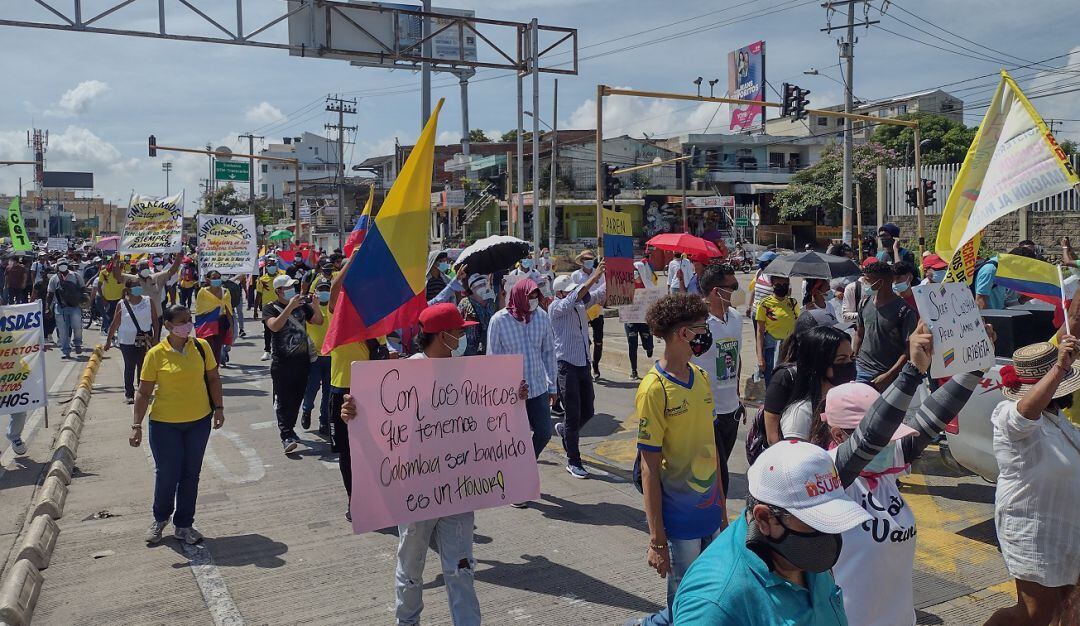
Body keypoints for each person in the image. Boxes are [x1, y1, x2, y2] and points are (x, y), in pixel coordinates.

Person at [339, 303, 518, 626]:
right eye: (459, 331)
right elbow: (377, 421)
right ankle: (407, 621)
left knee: (461, 568)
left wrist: (513, 397)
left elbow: (489, 416)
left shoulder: (469, 372)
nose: (463, 337)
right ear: (442, 335)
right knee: (411, 567)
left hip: (459, 491)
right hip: (416, 493)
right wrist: (352, 412)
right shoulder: (403, 375)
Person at [819, 323, 986, 626]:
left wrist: (976, 365)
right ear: (839, 435)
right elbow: (871, 437)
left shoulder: (882, 469)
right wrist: (912, 371)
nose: (889, 445)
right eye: (884, 438)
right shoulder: (829, 475)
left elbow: (931, 421)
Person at [672, 440, 873, 624]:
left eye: (833, 520)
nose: (828, 533)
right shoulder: (714, 604)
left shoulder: (800, 557)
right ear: (764, 518)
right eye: (814, 522)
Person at [630, 293, 726, 626]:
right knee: (686, 603)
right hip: (680, 521)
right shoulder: (654, 389)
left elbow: (712, 452)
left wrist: (722, 512)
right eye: (701, 328)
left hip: (709, 513)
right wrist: (657, 540)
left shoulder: (701, 378)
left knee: (712, 594)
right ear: (684, 333)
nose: (706, 334)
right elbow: (649, 469)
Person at [985, 338, 1080, 626]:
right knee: (1033, 615)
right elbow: (1025, 413)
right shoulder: (1007, 414)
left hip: (1064, 528)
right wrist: (1059, 369)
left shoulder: (1058, 418)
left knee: (1068, 607)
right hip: (1033, 528)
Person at [130, 304, 225, 545]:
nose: (187, 325)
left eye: (189, 319)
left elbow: (213, 379)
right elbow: (143, 392)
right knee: (167, 474)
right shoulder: (155, 354)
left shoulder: (201, 347)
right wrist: (136, 425)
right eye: (181, 321)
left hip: (199, 422)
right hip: (165, 425)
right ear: (168, 325)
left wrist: (219, 408)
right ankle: (160, 518)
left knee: (191, 474)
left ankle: (184, 524)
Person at [487, 279, 558, 479]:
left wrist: (553, 387)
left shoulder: (542, 317)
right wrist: (501, 390)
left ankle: (525, 465)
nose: (533, 300)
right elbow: (493, 359)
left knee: (544, 433)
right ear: (519, 296)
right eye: (530, 296)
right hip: (512, 394)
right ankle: (515, 478)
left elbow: (549, 353)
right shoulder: (499, 321)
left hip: (538, 387)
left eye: (536, 296)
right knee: (515, 438)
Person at [691, 264, 744, 496]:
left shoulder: (736, 318)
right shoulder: (697, 325)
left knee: (718, 469)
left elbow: (737, 357)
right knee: (718, 476)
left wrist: (738, 395)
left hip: (731, 410)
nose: (737, 291)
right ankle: (714, 515)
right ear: (716, 291)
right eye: (733, 286)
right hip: (705, 413)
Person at [550, 267, 606, 479]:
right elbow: (574, 297)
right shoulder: (556, 307)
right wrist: (594, 276)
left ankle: (565, 431)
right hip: (567, 365)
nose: (575, 293)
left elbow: (597, 295)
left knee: (588, 410)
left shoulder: (579, 305)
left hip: (583, 363)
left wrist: (615, 277)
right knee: (573, 414)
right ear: (559, 293)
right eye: (570, 291)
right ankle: (573, 461)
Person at [764, 326, 855, 447]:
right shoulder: (801, 414)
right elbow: (793, 456)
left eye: (852, 357)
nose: (849, 364)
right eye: (841, 359)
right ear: (820, 363)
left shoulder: (839, 400)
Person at [263, 274, 322, 453]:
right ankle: (286, 435)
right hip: (282, 363)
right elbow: (274, 326)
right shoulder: (270, 308)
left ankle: (290, 429)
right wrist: (289, 307)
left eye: (292, 287)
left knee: (297, 398)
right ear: (278, 291)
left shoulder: (302, 306)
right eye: (287, 288)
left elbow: (318, 321)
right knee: (283, 400)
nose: (291, 290)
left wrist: (316, 306)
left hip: (302, 362)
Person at [853, 261, 918, 388]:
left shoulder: (904, 311)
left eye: (867, 280)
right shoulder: (864, 303)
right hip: (861, 370)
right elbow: (859, 334)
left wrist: (889, 375)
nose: (863, 283)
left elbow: (910, 348)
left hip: (887, 376)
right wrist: (853, 359)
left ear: (880, 283)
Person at [104, 278, 159, 404]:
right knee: (129, 366)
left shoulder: (148, 301)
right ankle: (129, 394)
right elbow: (115, 323)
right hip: (126, 340)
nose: (138, 288)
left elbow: (155, 320)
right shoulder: (122, 304)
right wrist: (108, 341)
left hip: (145, 339)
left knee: (143, 365)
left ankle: (142, 392)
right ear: (128, 289)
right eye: (135, 286)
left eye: (139, 285)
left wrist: (156, 337)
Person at [301, 277, 333, 434]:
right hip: (314, 357)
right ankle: (306, 410)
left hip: (332, 357)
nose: (325, 292)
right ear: (316, 292)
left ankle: (324, 421)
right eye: (321, 289)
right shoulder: (309, 309)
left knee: (328, 392)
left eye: (327, 289)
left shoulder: (335, 308)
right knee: (312, 388)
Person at [755, 274, 798, 386]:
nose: (782, 287)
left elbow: (798, 324)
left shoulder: (793, 303)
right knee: (772, 381)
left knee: (789, 380)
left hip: (790, 349)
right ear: (772, 285)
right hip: (771, 348)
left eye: (785, 284)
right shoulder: (764, 304)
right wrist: (760, 357)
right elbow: (759, 332)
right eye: (778, 284)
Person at [571, 249, 606, 381]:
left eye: (591, 259)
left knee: (599, 341)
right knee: (584, 341)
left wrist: (604, 300)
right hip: (582, 311)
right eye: (586, 259)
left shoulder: (600, 274)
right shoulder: (575, 275)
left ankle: (596, 364)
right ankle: (586, 365)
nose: (589, 261)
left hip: (597, 310)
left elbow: (604, 289)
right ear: (582, 261)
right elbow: (573, 293)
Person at [122, 254, 182, 321]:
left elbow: (172, 271)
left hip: (157, 316)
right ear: (137, 269)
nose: (145, 270)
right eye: (142, 268)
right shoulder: (132, 280)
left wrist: (178, 258)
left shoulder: (156, 277)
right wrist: (116, 262)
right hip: (140, 319)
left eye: (146, 268)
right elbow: (117, 276)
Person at [47, 259, 86, 359]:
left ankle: (77, 343)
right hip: (60, 307)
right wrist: (48, 307)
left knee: (77, 326)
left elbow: (83, 288)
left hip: (74, 306)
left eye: (64, 264)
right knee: (62, 330)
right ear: (57, 266)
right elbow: (50, 294)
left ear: (67, 265)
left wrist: (82, 300)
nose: (62, 266)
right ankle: (66, 351)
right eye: (61, 264)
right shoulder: (54, 279)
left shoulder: (76, 276)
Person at [194, 270, 233, 365]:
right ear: (208, 280)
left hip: (221, 323)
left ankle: (215, 369)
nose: (217, 280)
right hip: (207, 324)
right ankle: (206, 368)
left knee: (217, 349)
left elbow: (228, 309)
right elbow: (199, 310)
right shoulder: (202, 292)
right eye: (214, 278)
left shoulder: (225, 292)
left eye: (218, 278)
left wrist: (231, 325)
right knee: (207, 348)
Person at [457, 274, 496, 356]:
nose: (483, 287)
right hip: (470, 351)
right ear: (472, 288)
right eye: (479, 285)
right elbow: (456, 326)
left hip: (488, 349)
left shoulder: (491, 302)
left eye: (484, 284)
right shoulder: (464, 303)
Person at [255, 257, 284, 361]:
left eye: (273, 265)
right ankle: (267, 351)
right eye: (269, 265)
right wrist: (255, 310)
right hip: (267, 308)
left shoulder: (281, 278)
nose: (271, 267)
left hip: (280, 306)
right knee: (267, 330)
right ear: (266, 267)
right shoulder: (262, 279)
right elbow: (259, 294)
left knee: (281, 329)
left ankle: (279, 350)